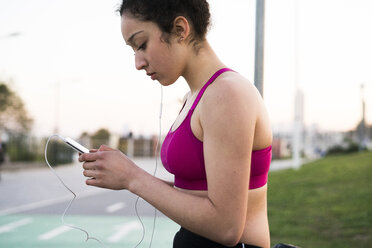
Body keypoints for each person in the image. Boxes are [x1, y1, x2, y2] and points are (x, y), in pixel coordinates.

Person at [79, 0, 273, 247]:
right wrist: (124, 172)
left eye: (142, 45)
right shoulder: (194, 97)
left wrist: (132, 178)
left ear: (180, 29)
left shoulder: (226, 94)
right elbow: (195, 192)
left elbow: (226, 227)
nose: (138, 63)